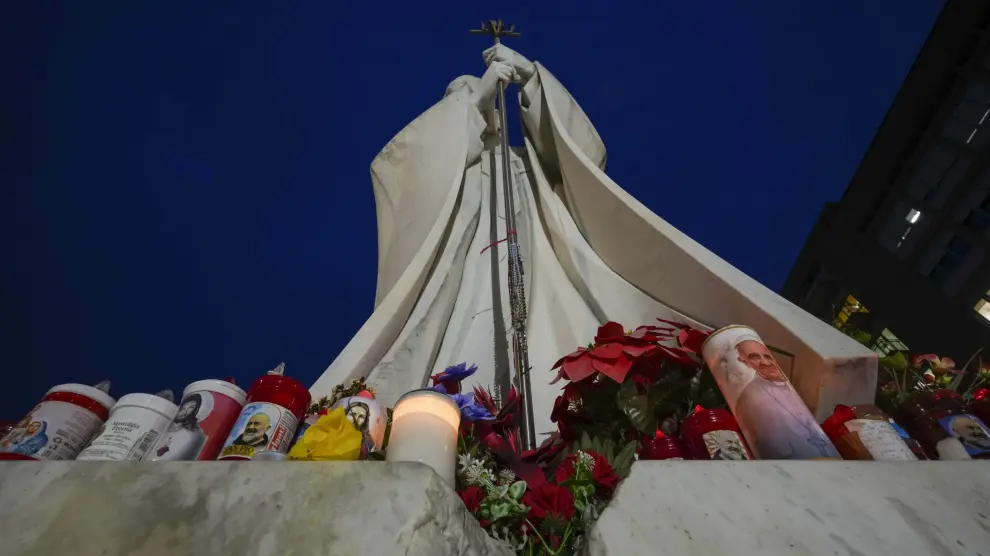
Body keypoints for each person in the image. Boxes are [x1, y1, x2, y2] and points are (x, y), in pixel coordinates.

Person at [153, 393, 207, 461]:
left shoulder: (194, 434)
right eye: (183, 408)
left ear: (196, 410)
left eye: (191, 407)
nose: (185, 411)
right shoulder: (161, 422)